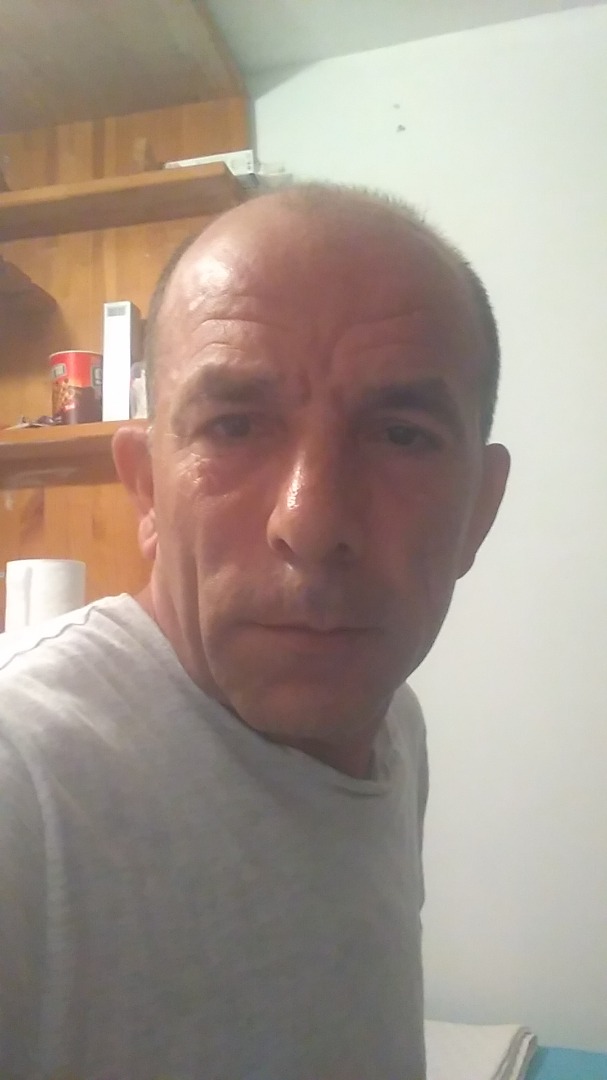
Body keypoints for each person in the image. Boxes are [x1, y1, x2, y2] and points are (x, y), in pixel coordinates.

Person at [0, 183, 510, 1080]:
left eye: (400, 435)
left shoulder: (393, 723)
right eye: (233, 427)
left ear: (480, 509)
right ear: (145, 490)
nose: (310, 523)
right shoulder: (29, 783)